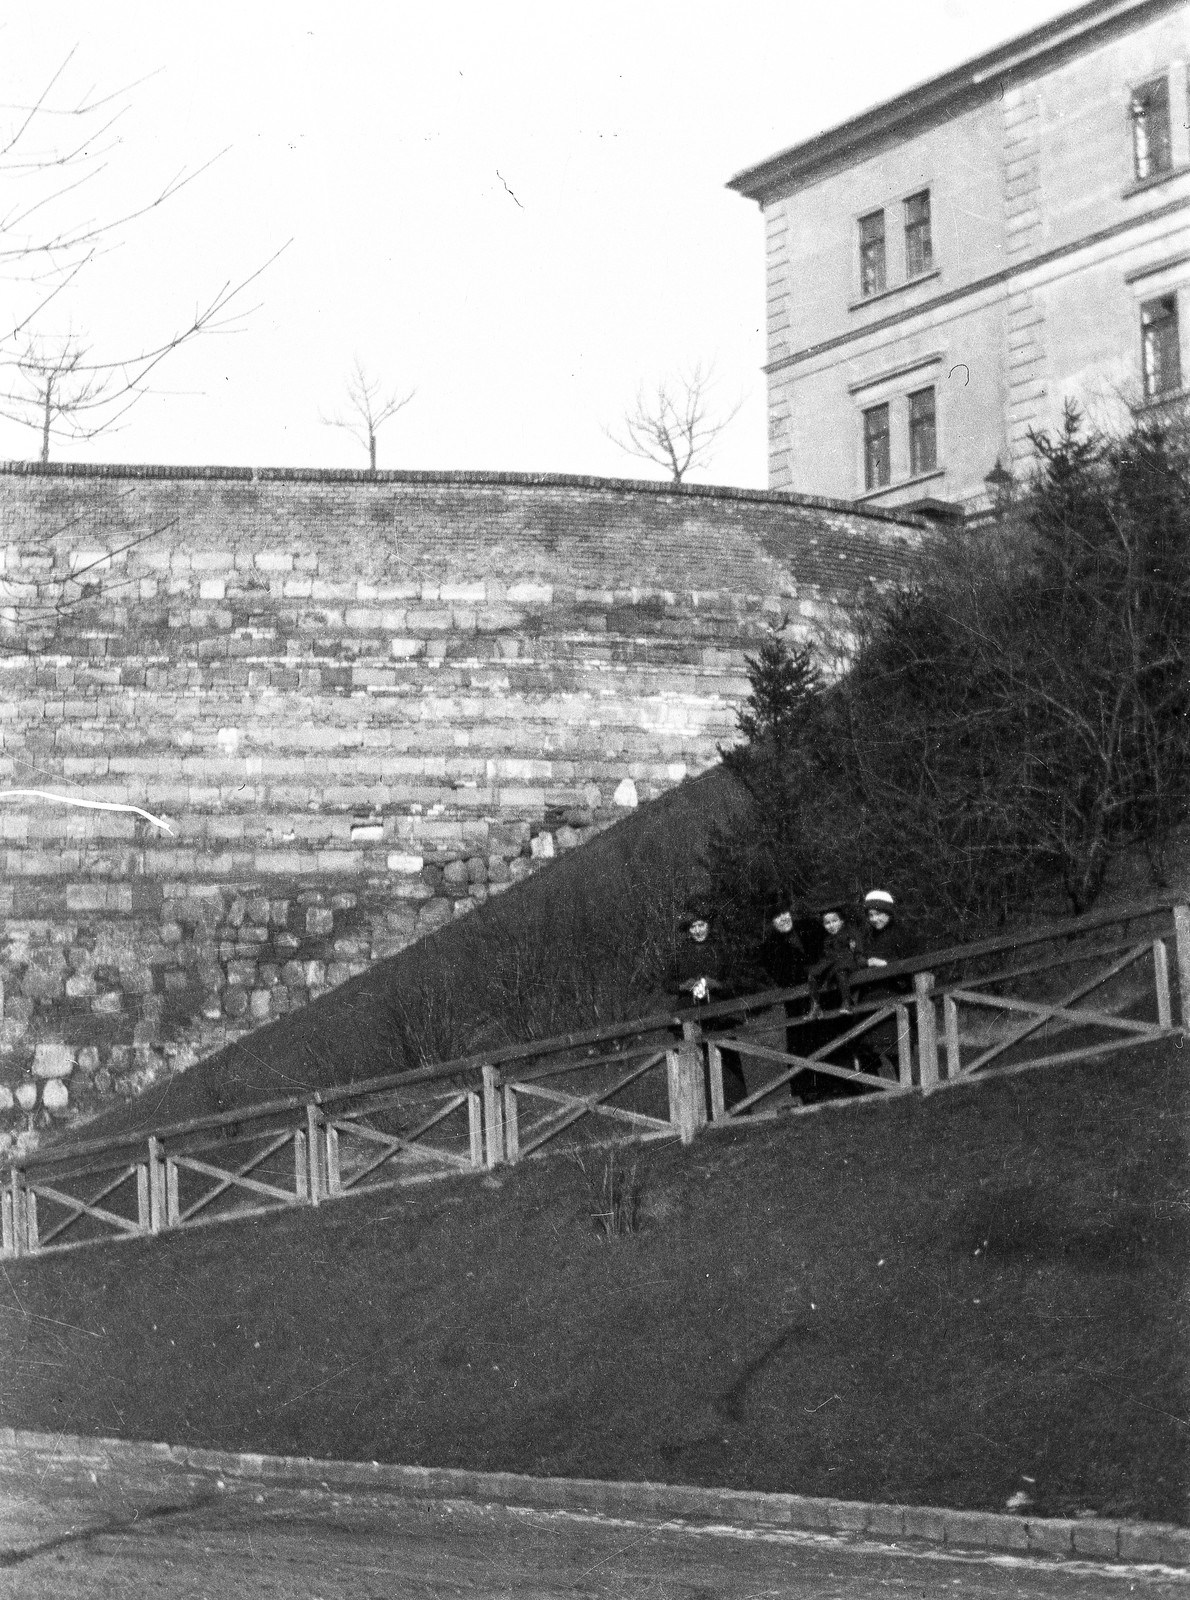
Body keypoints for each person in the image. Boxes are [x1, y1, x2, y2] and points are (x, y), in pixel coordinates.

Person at [667, 909, 748, 1112]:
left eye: (701, 925)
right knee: (695, 1061)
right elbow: (667, 983)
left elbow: (735, 978)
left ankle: (736, 1109)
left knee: (726, 1059)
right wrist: (684, 986)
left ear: (708, 926)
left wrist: (715, 984)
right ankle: (703, 1113)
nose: (698, 931)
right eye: (693, 927)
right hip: (690, 1014)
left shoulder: (721, 949)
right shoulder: (680, 954)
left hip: (720, 1013)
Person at [806, 902, 864, 1016]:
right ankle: (815, 1005)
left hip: (847, 962)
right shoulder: (827, 940)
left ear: (842, 921)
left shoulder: (850, 932)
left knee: (840, 971)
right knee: (813, 974)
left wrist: (859, 957)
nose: (831, 925)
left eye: (834, 921)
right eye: (827, 923)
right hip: (832, 963)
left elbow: (857, 950)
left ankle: (846, 1002)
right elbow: (826, 956)